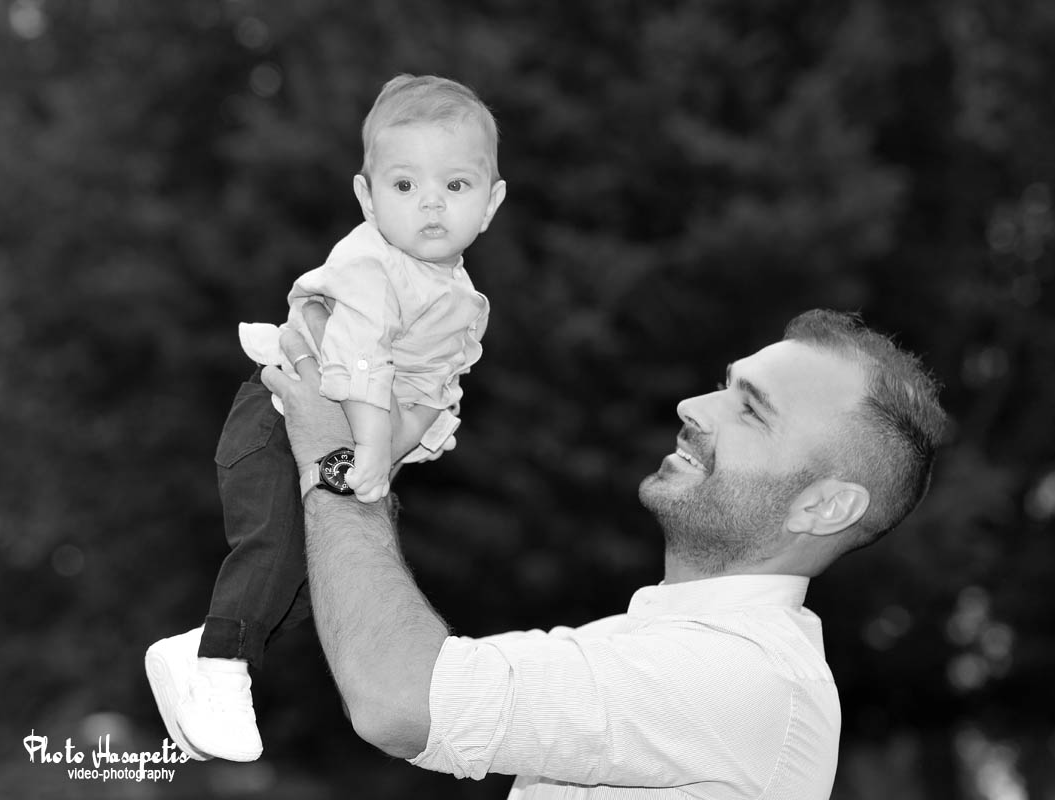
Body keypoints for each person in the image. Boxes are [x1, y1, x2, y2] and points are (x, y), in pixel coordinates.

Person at [257, 307, 947, 799]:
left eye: (751, 411)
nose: (693, 406)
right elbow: (405, 676)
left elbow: (399, 697)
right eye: (723, 386)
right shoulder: (653, 646)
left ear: (824, 507)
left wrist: (337, 460)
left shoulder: (744, 678)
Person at [144, 74, 507, 762]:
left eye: (456, 185)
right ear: (368, 198)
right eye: (405, 185)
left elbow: (433, 387)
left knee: (324, 577)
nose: (431, 202)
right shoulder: (371, 261)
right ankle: (220, 666)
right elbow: (359, 355)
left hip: (346, 436)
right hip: (278, 418)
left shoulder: (459, 296)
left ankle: (206, 645)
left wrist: (388, 447)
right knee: (276, 545)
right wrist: (371, 447)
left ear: (489, 203)